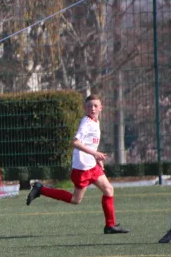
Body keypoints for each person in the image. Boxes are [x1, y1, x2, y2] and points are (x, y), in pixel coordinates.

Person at [26, 94, 129, 234]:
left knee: (108, 190)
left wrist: (96, 158)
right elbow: (75, 142)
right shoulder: (86, 123)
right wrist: (94, 154)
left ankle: (110, 226)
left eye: (95, 106)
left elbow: (90, 143)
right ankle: (41, 189)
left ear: (101, 108)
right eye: (89, 106)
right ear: (85, 108)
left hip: (92, 165)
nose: (92, 108)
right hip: (82, 167)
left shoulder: (95, 121)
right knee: (75, 200)